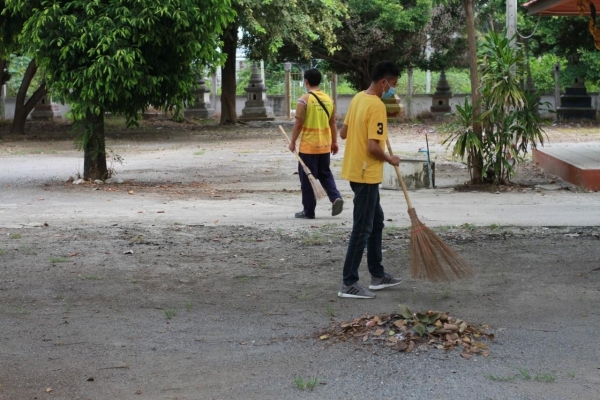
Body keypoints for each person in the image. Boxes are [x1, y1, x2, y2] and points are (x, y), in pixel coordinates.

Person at [337, 61, 403, 299]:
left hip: (356, 170)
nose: (393, 90)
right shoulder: (376, 106)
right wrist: (390, 158)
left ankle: (377, 274)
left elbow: (343, 133)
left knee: (376, 221)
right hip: (366, 174)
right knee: (363, 228)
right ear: (384, 82)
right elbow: (373, 147)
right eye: (393, 84)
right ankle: (349, 283)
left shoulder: (358, 98)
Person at [288, 69, 344, 219]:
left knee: (308, 179)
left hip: (308, 147)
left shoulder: (304, 100)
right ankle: (335, 198)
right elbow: (333, 123)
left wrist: (292, 142)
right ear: (319, 81)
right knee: (325, 174)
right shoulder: (329, 99)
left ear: (306, 82)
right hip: (325, 146)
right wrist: (334, 142)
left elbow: (298, 123)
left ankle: (309, 211)